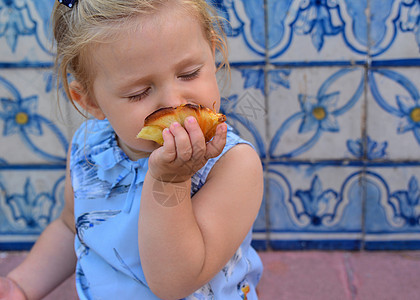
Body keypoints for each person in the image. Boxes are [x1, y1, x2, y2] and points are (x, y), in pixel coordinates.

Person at [0, 0, 264, 299]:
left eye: (189, 73)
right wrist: (21, 285)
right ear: (90, 101)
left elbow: (175, 283)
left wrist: (171, 181)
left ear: (213, 53)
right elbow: (72, 227)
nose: (173, 102)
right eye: (138, 93)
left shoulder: (232, 164)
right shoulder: (89, 148)